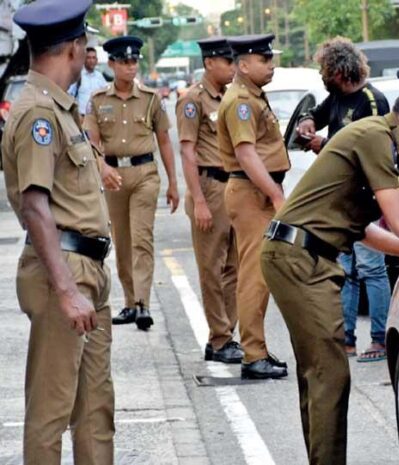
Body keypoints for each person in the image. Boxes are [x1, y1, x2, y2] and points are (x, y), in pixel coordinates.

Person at [261, 70, 399, 465]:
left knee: (319, 374)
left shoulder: (390, 146)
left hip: (305, 255)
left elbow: (362, 228)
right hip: (298, 258)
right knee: (330, 374)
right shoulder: (375, 137)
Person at [2, 0, 115, 463]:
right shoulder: (38, 114)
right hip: (62, 273)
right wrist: (67, 291)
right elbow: (35, 205)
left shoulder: (59, 108)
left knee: (95, 411)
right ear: (74, 48)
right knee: (51, 409)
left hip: (87, 267)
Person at [296, 36, 392, 362]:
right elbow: (314, 113)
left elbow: (371, 152)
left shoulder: (372, 101)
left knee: (371, 269)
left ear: (339, 70)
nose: (322, 76)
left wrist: (323, 145)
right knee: (346, 270)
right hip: (340, 199)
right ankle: (346, 339)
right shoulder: (336, 97)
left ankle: (380, 338)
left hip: (364, 198)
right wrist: (307, 123)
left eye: (325, 70)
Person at [85, 36, 179, 331]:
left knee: (141, 239)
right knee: (122, 242)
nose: (131, 67)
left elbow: (164, 141)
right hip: (113, 177)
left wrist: (173, 183)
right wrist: (102, 167)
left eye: (134, 61)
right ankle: (129, 302)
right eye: (125, 62)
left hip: (144, 175)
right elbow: (91, 143)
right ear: (112, 64)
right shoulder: (98, 100)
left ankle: (142, 303)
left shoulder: (151, 98)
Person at [218, 33, 289, 379]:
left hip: (256, 192)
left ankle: (256, 348)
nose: (271, 65)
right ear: (244, 65)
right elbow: (246, 155)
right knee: (254, 277)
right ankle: (253, 355)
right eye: (264, 60)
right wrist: (275, 194)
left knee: (260, 275)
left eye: (270, 59)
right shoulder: (241, 102)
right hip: (251, 194)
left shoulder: (253, 96)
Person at [176, 37, 243, 364]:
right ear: (209, 63)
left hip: (233, 187)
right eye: (227, 62)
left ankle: (224, 334)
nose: (233, 67)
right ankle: (219, 338)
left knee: (235, 267)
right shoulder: (193, 100)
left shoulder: (232, 96)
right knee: (212, 269)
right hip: (210, 186)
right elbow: (187, 152)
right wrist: (199, 201)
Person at [74, 46, 107, 118]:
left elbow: (106, 97)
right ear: (84, 59)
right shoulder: (78, 76)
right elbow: (70, 96)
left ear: (96, 60)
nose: (91, 60)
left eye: (93, 58)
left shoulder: (99, 77)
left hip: (96, 117)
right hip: (81, 117)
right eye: (88, 58)